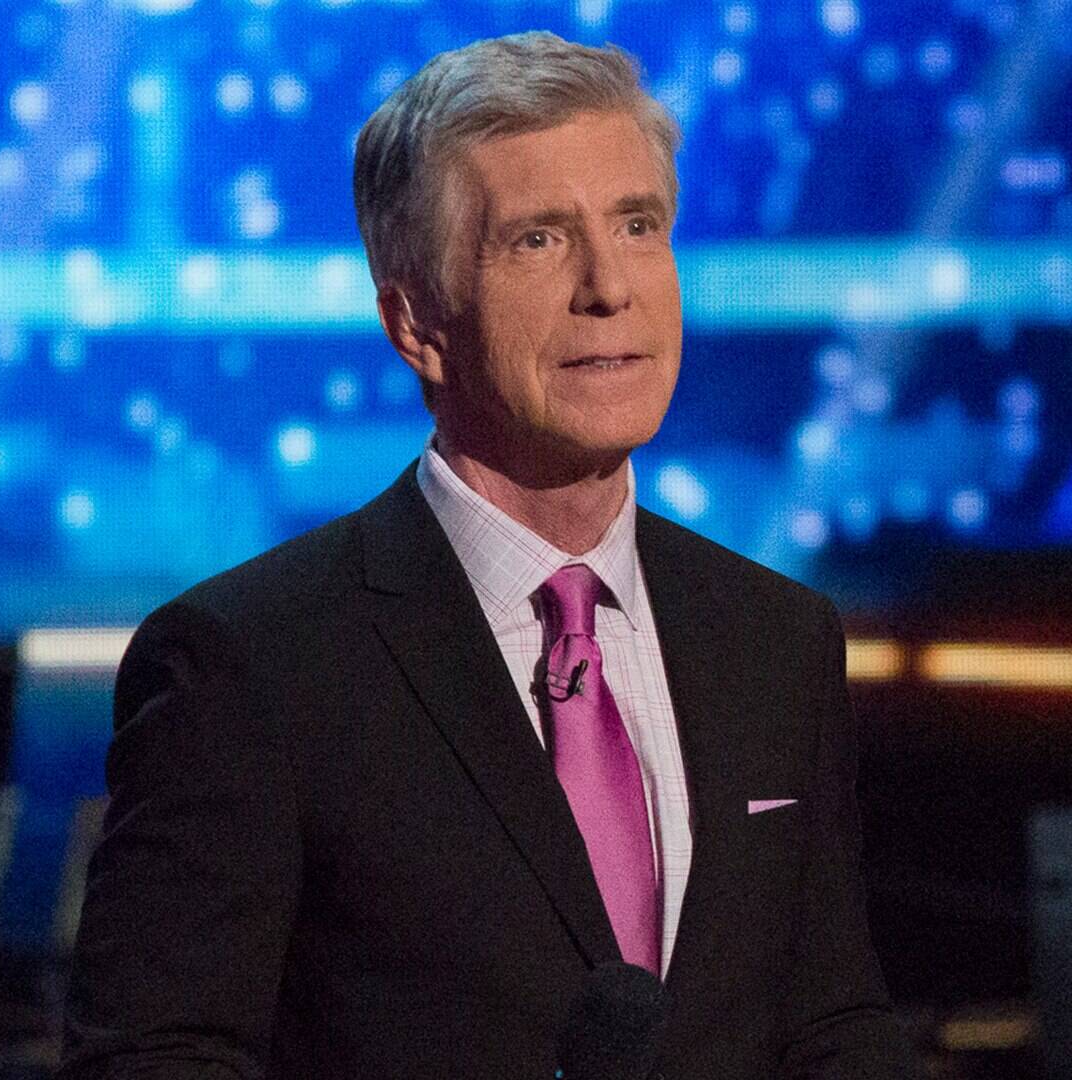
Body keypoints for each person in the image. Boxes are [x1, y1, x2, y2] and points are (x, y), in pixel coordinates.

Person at [59, 31, 920, 1080]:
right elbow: (155, 1058)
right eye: (538, 241)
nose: (609, 286)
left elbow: (833, 1025)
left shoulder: (777, 639)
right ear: (417, 322)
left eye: (637, 225)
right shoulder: (250, 665)